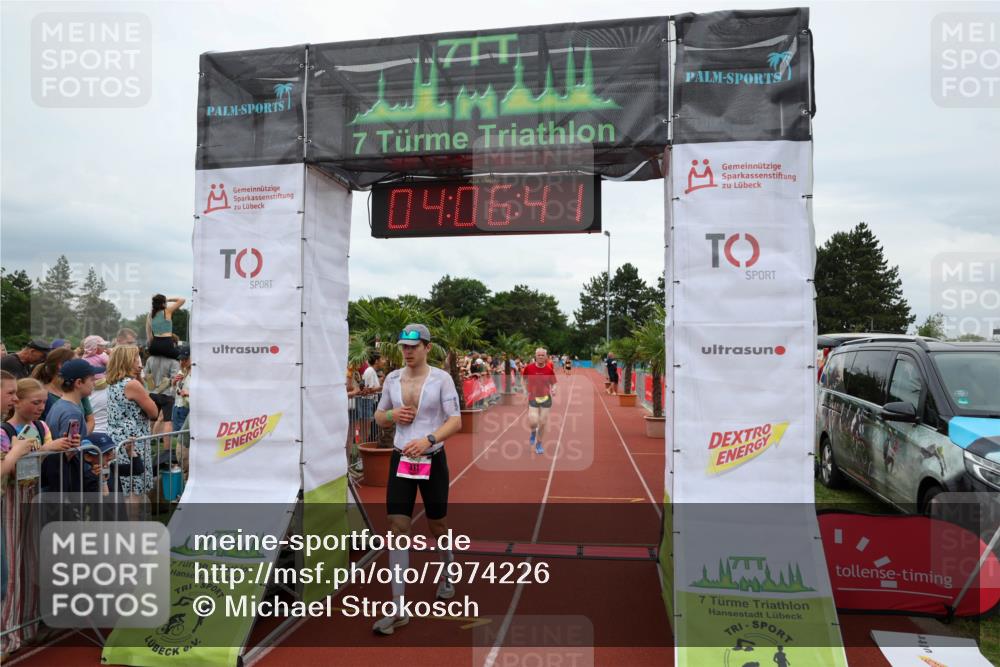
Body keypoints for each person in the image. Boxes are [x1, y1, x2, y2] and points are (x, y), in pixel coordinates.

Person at [372, 324, 462, 636]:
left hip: (432, 459)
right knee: (397, 527)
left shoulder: (442, 378)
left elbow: (456, 421)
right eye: (403, 347)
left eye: (413, 346)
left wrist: (429, 439)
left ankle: (448, 569)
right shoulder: (392, 379)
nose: (408, 352)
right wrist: (391, 417)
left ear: (427, 347)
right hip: (401, 460)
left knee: (437, 524)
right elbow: (378, 415)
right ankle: (398, 607)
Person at [0, 379, 72, 656]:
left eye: (43, 402)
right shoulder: (6, 431)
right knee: (11, 568)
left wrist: (66, 447)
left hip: (32, 498)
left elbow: (50, 452)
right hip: (10, 502)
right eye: (35, 402)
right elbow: (11, 464)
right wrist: (46, 450)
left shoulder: (42, 427)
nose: (41, 408)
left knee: (31, 563)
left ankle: (27, 626)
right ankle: (8, 632)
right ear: (16, 401)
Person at [106, 346, 157, 507]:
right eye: (137, 358)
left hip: (118, 438)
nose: (139, 363)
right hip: (134, 440)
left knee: (125, 486)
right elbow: (154, 412)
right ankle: (132, 528)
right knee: (135, 488)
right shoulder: (131, 384)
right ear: (127, 361)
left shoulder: (113, 383)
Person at [40, 359, 96, 493]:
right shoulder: (72, 412)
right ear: (78, 383)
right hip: (65, 477)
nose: (94, 383)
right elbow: (68, 451)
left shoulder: (60, 404)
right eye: (91, 379)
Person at [522, 348, 558, 454]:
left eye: (543, 355)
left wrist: (554, 389)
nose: (541, 357)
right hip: (533, 397)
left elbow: (554, 383)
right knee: (533, 422)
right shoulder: (529, 368)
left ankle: (539, 444)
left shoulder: (549, 369)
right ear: (535, 356)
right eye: (539, 355)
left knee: (542, 423)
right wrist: (524, 390)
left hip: (546, 398)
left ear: (546, 357)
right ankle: (533, 432)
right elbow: (524, 379)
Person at [144, 343, 180, 434]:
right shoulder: (173, 362)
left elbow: (146, 376)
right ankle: (166, 448)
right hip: (167, 394)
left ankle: (150, 439)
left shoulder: (150, 359)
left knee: (152, 418)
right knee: (167, 421)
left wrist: (153, 387)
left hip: (152, 393)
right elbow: (174, 380)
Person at [145, 294, 185, 359]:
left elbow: (149, 336)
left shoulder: (150, 315)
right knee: (182, 354)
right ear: (163, 303)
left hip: (154, 346)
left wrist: (152, 346)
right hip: (166, 344)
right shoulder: (167, 311)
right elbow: (182, 300)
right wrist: (168, 299)